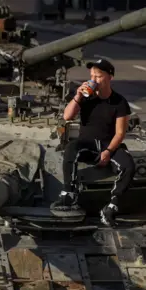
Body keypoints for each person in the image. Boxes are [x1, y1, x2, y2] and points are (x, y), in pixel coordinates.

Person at [50, 58, 135, 227]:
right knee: (71, 149)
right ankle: (69, 193)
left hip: (107, 144)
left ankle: (111, 206)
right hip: (87, 144)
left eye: (98, 76)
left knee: (129, 165)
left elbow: (120, 133)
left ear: (110, 77)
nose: (94, 80)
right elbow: (67, 117)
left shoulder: (119, 102)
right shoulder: (85, 97)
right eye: (92, 76)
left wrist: (109, 151)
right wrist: (78, 96)